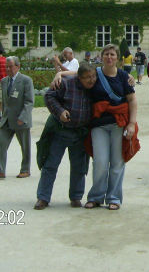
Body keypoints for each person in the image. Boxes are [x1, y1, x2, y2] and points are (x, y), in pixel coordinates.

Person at [35, 62, 97, 210]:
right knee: (50, 165)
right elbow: (49, 96)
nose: (91, 80)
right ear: (79, 78)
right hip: (60, 130)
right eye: (87, 77)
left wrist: (129, 77)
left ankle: (76, 197)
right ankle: (43, 197)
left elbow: (113, 74)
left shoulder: (95, 85)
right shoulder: (67, 84)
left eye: (93, 76)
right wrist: (60, 111)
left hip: (81, 132)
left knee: (79, 167)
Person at [84, 44, 138, 210]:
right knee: (100, 161)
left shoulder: (123, 77)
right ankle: (96, 196)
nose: (109, 57)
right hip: (99, 125)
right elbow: (78, 75)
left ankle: (114, 197)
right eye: (106, 54)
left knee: (117, 162)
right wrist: (59, 73)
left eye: (112, 54)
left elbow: (132, 101)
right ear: (101, 57)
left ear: (117, 58)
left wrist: (131, 124)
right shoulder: (95, 74)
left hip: (118, 124)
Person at [0, 56, 34, 179]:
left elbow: (29, 102)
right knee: (1, 142)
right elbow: (5, 101)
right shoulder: (4, 81)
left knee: (25, 146)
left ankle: (25, 169)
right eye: (6, 67)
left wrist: (23, 117)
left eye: (10, 66)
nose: (8, 69)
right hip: (7, 119)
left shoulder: (26, 80)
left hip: (21, 119)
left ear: (18, 67)